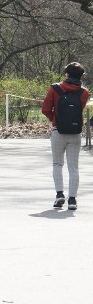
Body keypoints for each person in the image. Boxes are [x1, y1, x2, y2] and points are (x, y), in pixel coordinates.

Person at [41, 62, 90, 211]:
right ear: (81, 76)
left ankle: (59, 195)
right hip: (75, 133)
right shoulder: (85, 93)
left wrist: (55, 120)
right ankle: (72, 200)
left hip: (58, 132)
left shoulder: (55, 88)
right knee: (73, 167)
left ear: (66, 74)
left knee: (57, 164)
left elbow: (45, 109)